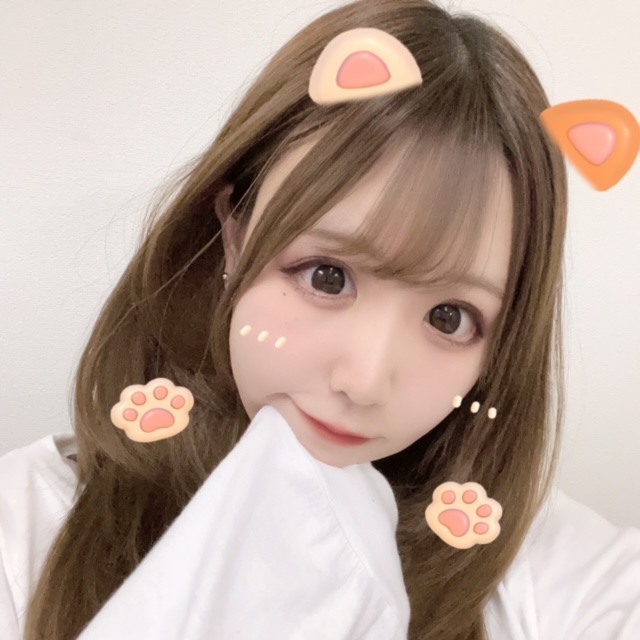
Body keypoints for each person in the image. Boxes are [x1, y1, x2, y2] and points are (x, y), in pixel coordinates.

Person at [1, 0, 639, 638]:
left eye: (450, 318)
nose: (365, 382)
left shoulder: (539, 572)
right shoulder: (25, 534)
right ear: (234, 235)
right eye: (327, 276)